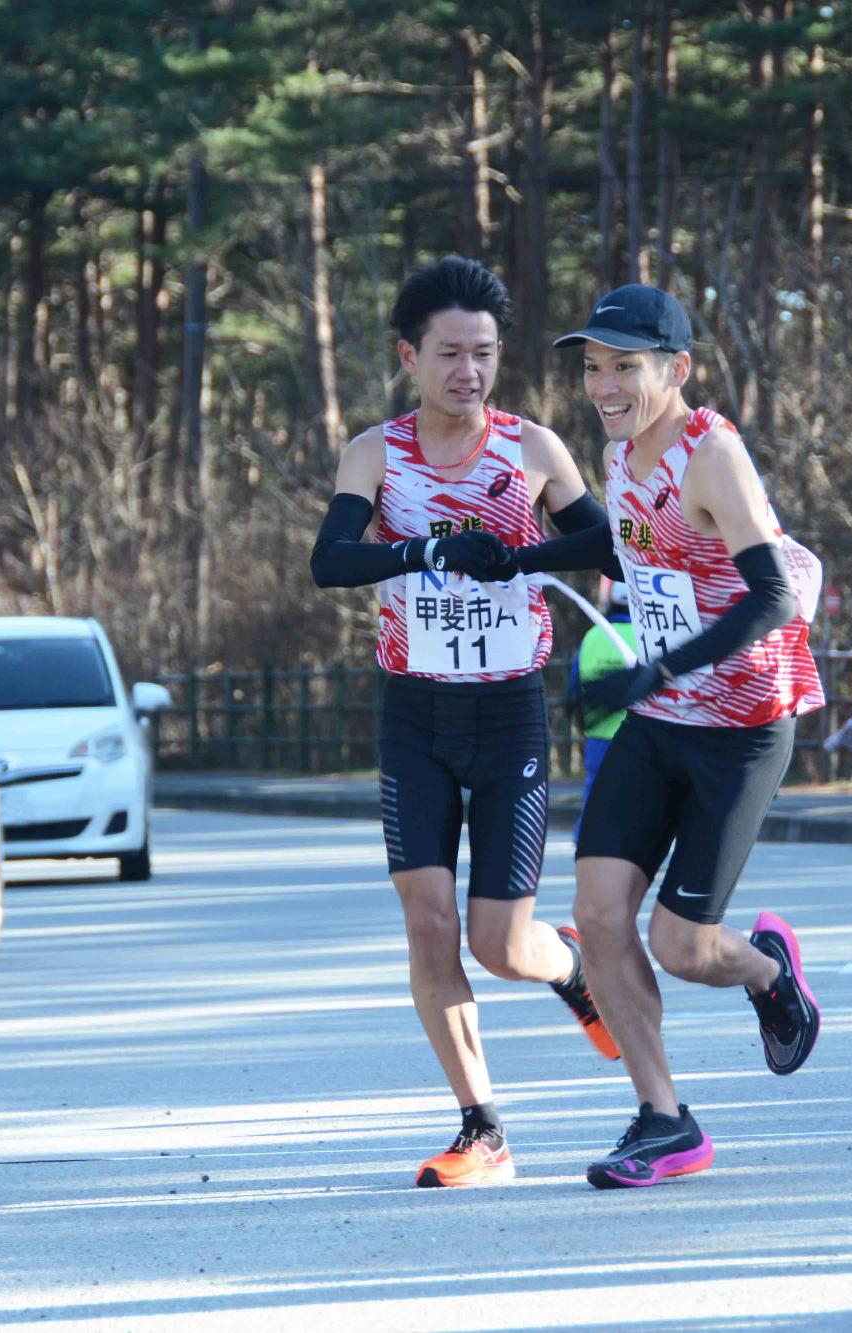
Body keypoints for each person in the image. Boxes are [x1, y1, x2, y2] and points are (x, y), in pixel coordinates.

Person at [496, 283, 826, 1190]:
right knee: (598, 914)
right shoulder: (621, 450)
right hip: (660, 715)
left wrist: (664, 665)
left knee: (685, 948)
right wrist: (516, 554)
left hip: (742, 725)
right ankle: (664, 1118)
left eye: (624, 367)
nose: (603, 384)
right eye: (594, 366)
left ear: (676, 370)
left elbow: (773, 596)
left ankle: (766, 973)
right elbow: (628, 552)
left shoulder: (711, 453)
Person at [308, 256, 619, 1190]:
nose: (469, 373)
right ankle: (482, 1127)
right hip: (413, 713)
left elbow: (604, 540)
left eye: (484, 354)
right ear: (410, 356)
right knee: (428, 922)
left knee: (497, 940)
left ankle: (564, 965)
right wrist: (432, 546)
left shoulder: (532, 449)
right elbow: (331, 560)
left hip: (510, 713)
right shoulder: (376, 452)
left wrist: (517, 555)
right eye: (449, 354)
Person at [565, 578, 636, 840]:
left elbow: (574, 687)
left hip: (598, 734)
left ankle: (585, 841)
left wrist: (582, 727)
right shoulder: (646, 634)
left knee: (595, 794)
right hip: (638, 734)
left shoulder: (593, 636)